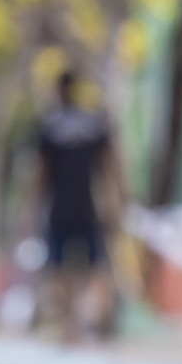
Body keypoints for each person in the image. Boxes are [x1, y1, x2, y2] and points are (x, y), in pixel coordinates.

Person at [34, 70, 123, 340]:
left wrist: (34, 206)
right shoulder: (93, 123)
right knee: (95, 266)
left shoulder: (52, 125)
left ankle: (73, 326)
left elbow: (42, 172)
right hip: (87, 206)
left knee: (65, 267)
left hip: (70, 207)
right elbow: (111, 166)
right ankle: (90, 323)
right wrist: (119, 198)